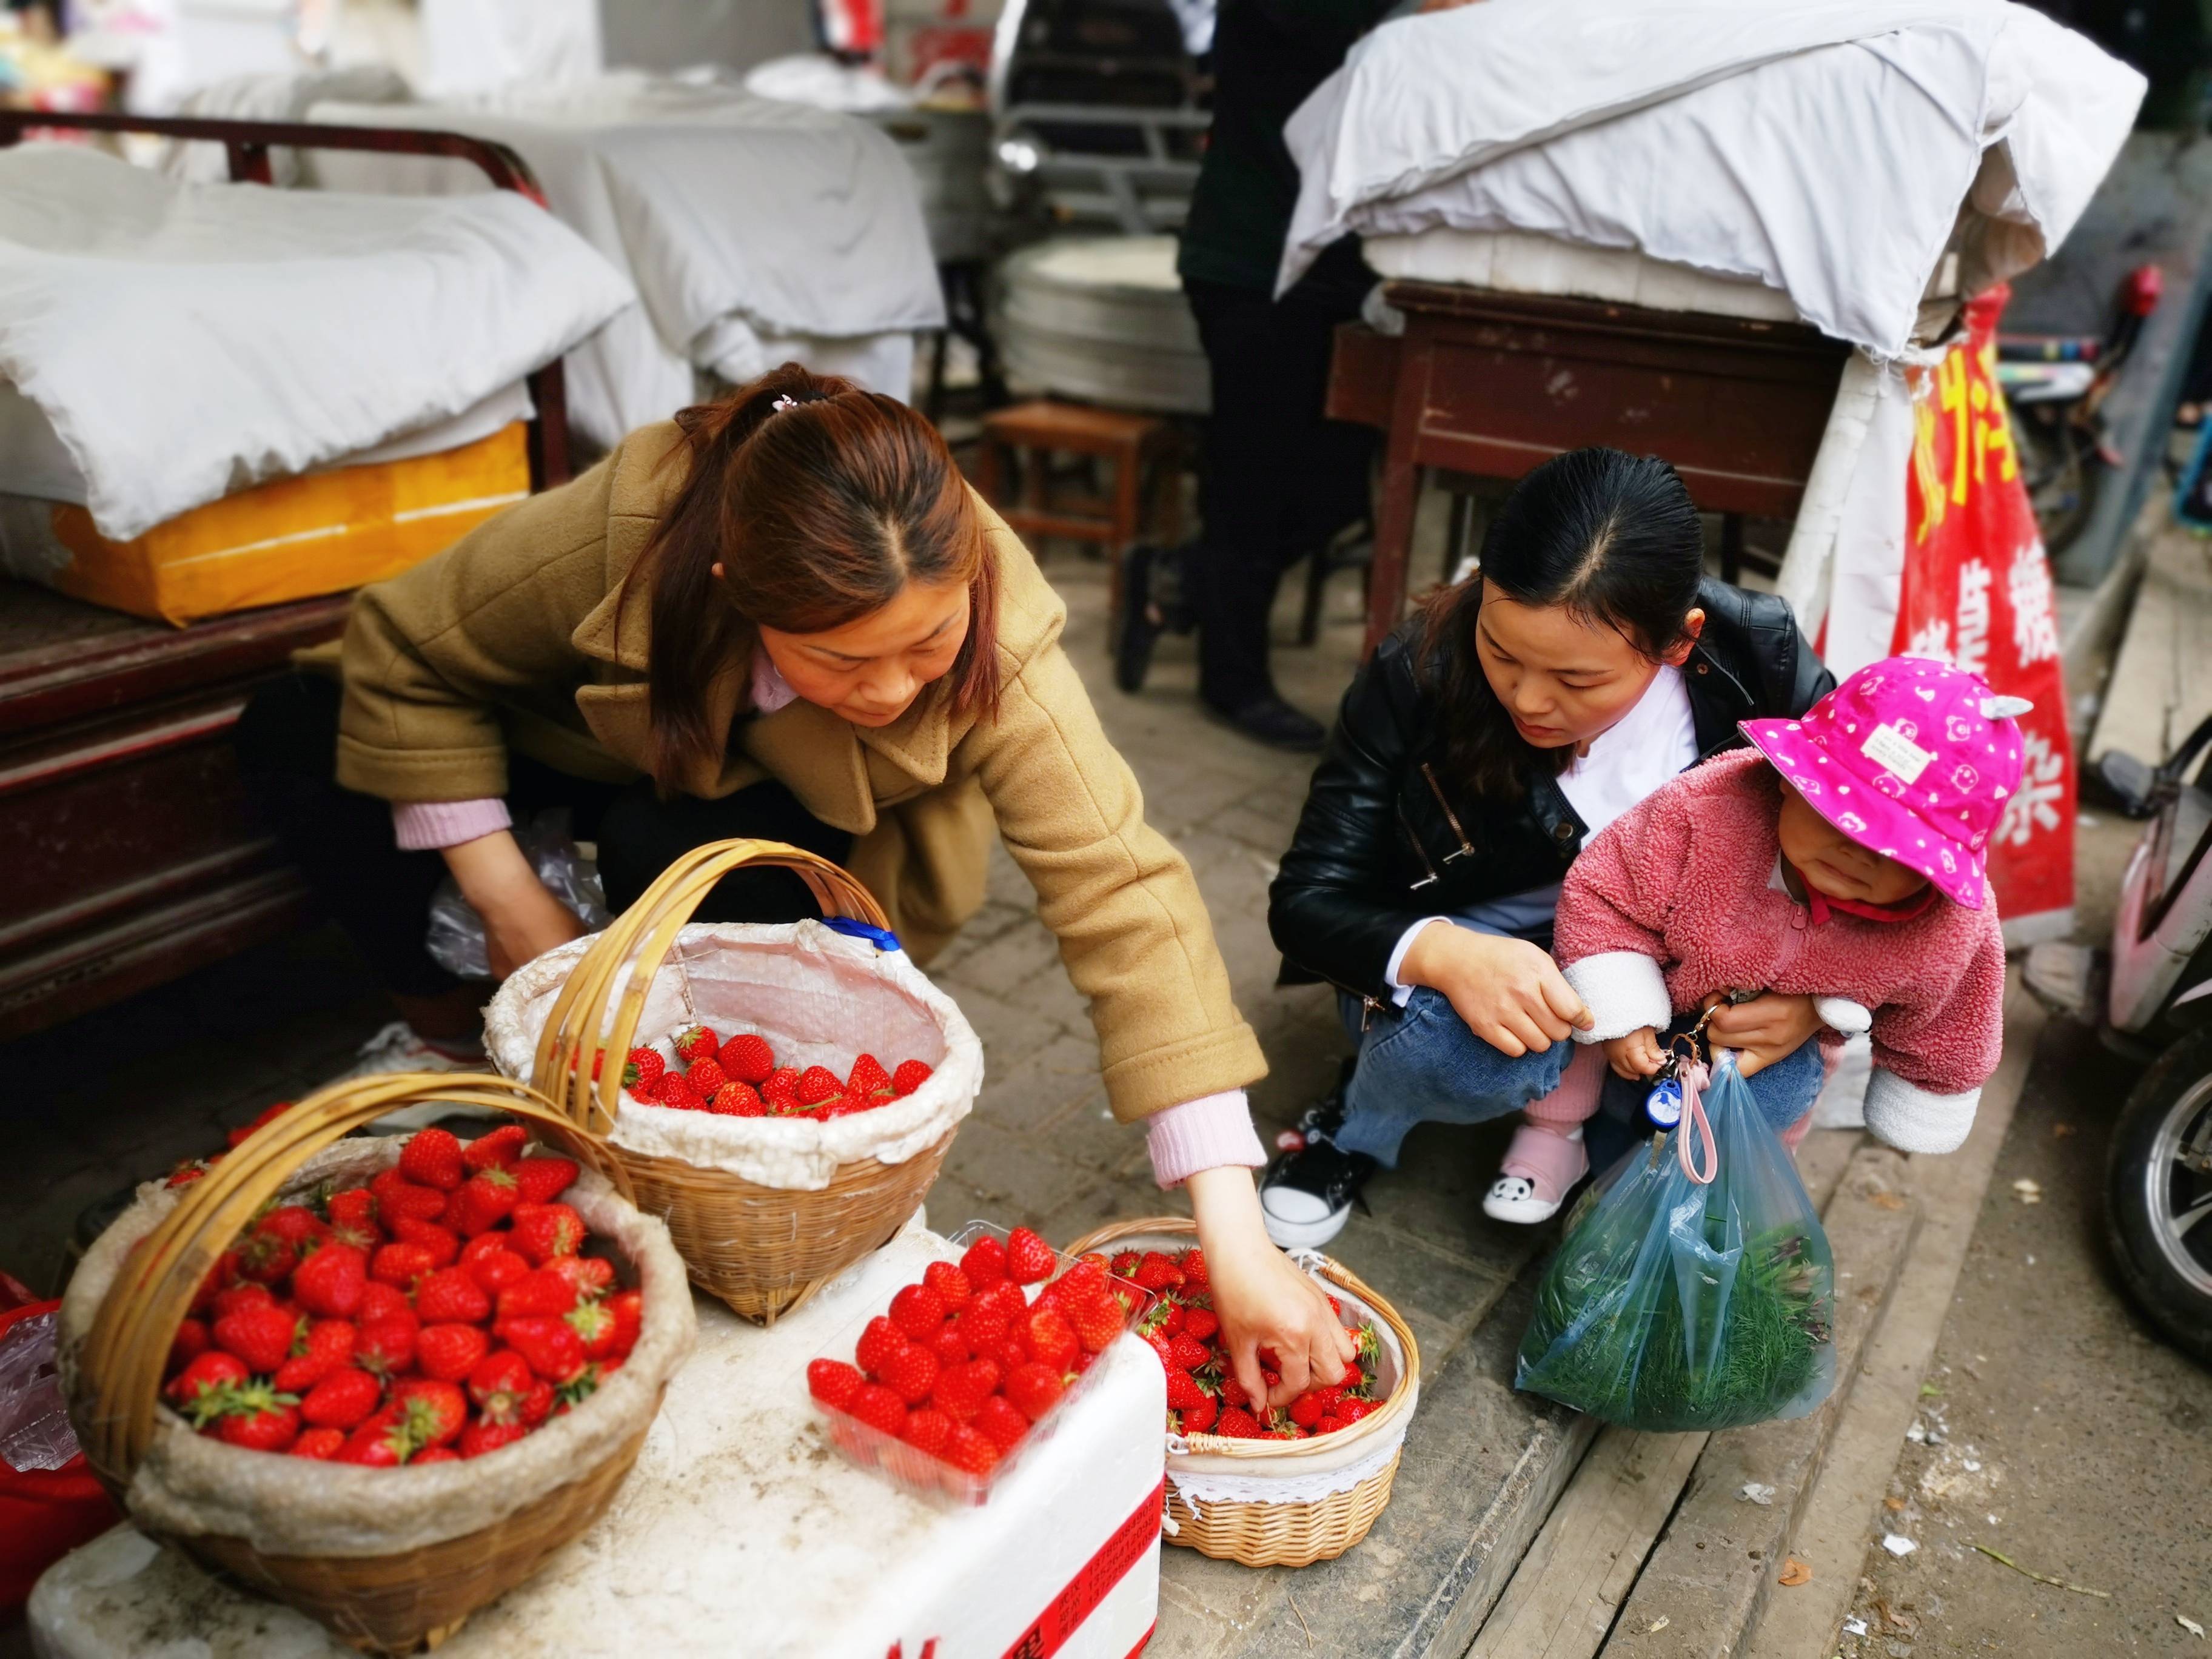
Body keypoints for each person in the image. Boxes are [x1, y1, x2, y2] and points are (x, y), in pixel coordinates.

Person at [235, 363, 1349, 1409]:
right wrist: (503, 894)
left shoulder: (1000, 640)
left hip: (812, 826)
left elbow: (1122, 890)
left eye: (925, 643)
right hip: (601, 749)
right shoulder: (637, 519)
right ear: (735, 594)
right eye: (843, 660)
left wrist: (1233, 1233)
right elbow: (403, 641)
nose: (894, 687)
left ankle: (708, 1152)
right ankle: (450, 1044)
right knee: (294, 730)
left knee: (676, 860)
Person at [1259, 446, 1835, 1247]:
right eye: (1501, 652)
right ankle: (1355, 1124)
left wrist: (1814, 1000)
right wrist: (1442, 954)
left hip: (1672, 971)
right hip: (1481, 960)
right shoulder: (1417, 667)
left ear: (1680, 640)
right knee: (1471, 1056)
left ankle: (1613, 1170)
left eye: (1577, 680)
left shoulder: (1762, 666)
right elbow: (1307, 901)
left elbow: (1889, 856)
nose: (1529, 699)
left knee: (1775, 1085)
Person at [1526, 655, 2022, 1199]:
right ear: (1789, 780)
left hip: (1772, 1058)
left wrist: (1919, 1091)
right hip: (1656, 986)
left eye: (1894, 849)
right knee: (1580, 1013)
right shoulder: (1711, 810)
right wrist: (1624, 1007)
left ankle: (1735, 1179)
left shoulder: (1947, 928)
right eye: (1837, 814)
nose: (1855, 853)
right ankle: (1554, 1129)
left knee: (1775, 1098)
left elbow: (1953, 1024)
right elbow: (1607, 891)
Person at [1125, 0, 1396, 752]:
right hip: (1250, 262)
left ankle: (1179, 580)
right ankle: (1232, 679)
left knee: (1340, 483)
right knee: (1251, 479)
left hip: (1337, 270)